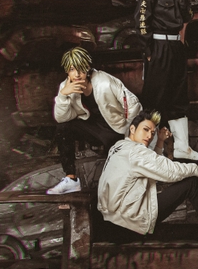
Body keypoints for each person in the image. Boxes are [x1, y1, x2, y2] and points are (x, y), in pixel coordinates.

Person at [97, 111, 198, 240]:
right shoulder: (135, 151)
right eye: (145, 129)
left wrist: (160, 141)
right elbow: (169, 171)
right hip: (129, 223)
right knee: (192, 184)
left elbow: (152, 165)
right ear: (132, 129)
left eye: (152, 133)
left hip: (112, 220)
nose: (149, 135)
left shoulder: (119, 146)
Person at [135, 0, 198, 161]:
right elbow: (141, 20)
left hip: (176, 47)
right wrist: (149, 51)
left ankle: (183, 148)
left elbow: (188, 17)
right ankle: (146, 151)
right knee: (154, 99)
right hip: (159, 47)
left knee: (179, 97)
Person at [48, 47, 142, 195]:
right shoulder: (65, 87)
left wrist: (130, 133)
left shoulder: (104, 81)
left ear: (87, 67)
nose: (77, 74)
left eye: (81, 68)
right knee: (63, 128)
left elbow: (133, 105)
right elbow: (61, 118)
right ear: (67, 71)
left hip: (115, 130)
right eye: (72, 69)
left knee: (120, 178)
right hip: (93, 129)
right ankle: (71, 180)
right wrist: (63, 96)